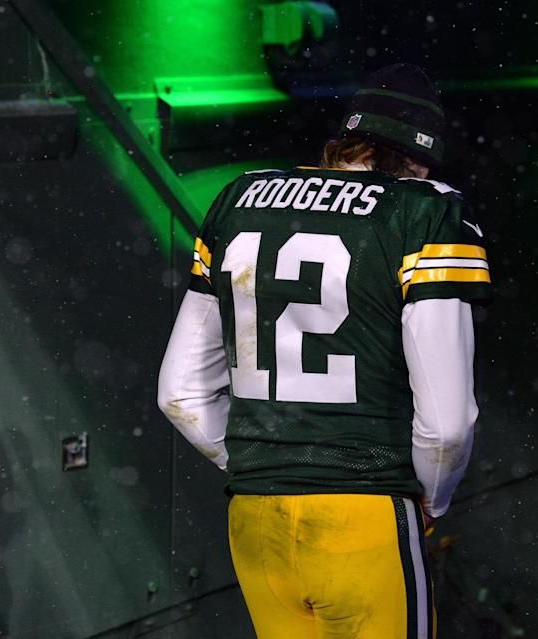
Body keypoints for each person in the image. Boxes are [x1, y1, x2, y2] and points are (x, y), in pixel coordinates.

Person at [157, 63, 490, 638]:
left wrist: (271, 464)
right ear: (420, 157)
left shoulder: (238, 198)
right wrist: (433, 498)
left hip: (255, 520)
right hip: (363, 516)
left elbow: (178, 394)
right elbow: (447, 425)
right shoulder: (424, 212)